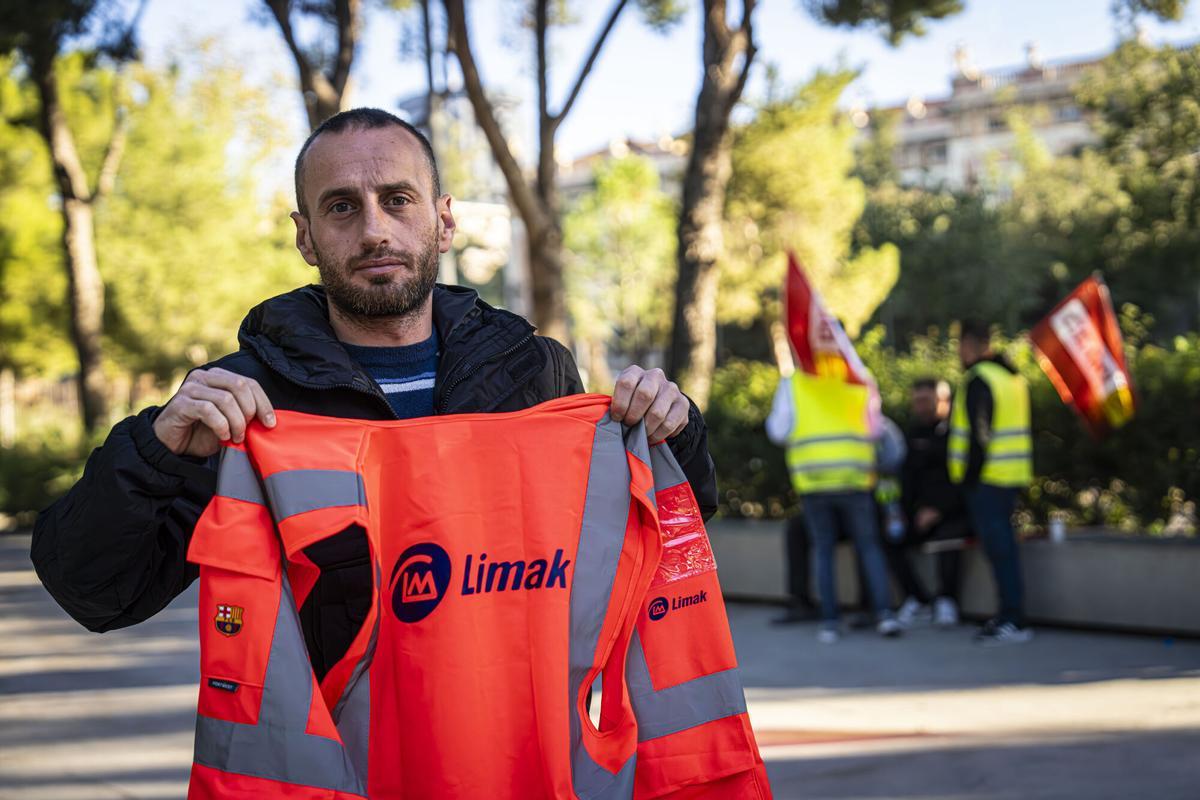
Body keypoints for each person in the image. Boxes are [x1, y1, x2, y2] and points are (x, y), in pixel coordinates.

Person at [30, 109, 717, 678]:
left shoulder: (533, 373)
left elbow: (653, 542)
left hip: (513, 753)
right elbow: (97, 591)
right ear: (305, 236)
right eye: (340, 207)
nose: (374, 229)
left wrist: (671, 433)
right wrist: (154, 453)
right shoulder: (245, 397)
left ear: (444, 221)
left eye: (397, 199)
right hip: (330, 768)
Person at [767, 369, 901, 643]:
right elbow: (877, 428)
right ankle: (884, 614)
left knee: (823, 550)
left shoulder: (794, 383)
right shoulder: (859, 377)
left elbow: (778, 431)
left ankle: (830, 622)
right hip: (856, 478)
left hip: (814, 481)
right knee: (868, 546)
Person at [949, 320, 1034, 645]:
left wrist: (967, 480)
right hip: (1010, 475)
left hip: (987, 480)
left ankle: (1013, 618)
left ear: (971, 345)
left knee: (1001, 551)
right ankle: (1009, 615)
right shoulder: (1011, 377)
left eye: (960, 344)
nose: (959, 352)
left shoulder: (979, 379)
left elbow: (977, 436)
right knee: (1003, 550)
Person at [887, 378, 969, 629]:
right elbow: (906, 479)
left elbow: (963, 481)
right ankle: (918, 599)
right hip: (917, 513)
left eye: (926, 401)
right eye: (916, 401)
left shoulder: (957, 433)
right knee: (889, 538)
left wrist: (938, 509)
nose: (920, 407)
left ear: (943, 401)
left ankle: (947, 600)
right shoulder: (911, 434)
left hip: (952, 513)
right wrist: (900, 512)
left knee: (948, 537)